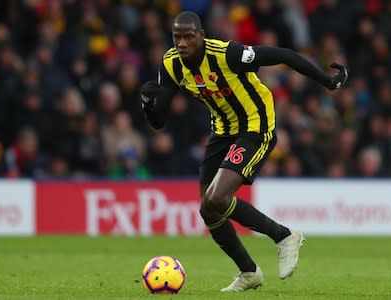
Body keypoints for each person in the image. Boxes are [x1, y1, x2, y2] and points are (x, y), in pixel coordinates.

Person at [140, 11, 348, 292]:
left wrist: (327, 81)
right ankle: (249, 272)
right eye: (177, 36)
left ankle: (284, 236)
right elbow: (159, 121)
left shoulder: (228, 55)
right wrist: (148, 103)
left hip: (255, 124)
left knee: (217, 198)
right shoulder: (171, 64)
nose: (183, 43)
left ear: (201, 35)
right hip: (222, 130)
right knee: (209, 210)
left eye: (189, 36)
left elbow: (284, 55)